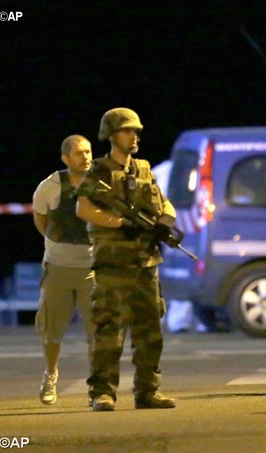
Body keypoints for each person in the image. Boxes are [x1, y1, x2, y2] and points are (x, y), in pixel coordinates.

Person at [76, 107, 177, 411]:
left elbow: (165, 204)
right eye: (127, 131)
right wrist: (119, 222)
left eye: (136, 131)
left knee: (150, 332)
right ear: (111, 135)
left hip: (145, 262)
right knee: (109, 330)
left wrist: (165, 222)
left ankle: (147, 391)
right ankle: (102, 392)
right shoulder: (99, 171)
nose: (134, 136)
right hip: (113, 265)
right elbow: (83, 208)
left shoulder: (144, 169)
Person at [33, 134, 95, 406]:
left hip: (92, 270)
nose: (86, 157)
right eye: (79, 153)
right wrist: (58, 248)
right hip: (58, 268)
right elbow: (41, 220)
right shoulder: (49, 186)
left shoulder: (100, 183)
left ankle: (98, 384)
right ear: (66, 158)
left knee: (98, 331)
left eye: (89, 151)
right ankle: (50, 375)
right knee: (51, 331)